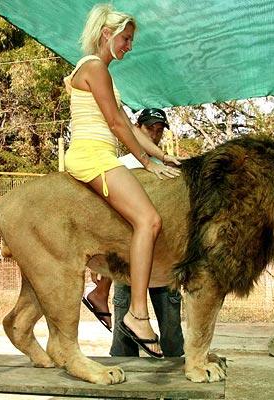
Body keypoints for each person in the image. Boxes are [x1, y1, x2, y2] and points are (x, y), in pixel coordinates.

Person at [63, 4, 181, 359]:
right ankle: (137, 315)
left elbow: (129, 125)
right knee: (149, 220)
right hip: (92, 156)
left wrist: (162, 157)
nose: (129, 46)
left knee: (143, 221)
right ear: (107, 34)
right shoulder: (94, 67)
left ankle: (107, 299)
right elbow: (116, 124)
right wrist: (146, 162)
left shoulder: (102, 72)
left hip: (103, 156)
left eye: (130, 40)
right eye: (126, 39)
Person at [83, 108, 185, 357]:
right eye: (150, 128)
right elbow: (105, 217)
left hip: (163, 257)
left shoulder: (168, 168)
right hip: (127, 259)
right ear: (137, 128)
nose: (155, 134)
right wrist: (99, 259)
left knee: (172, 333)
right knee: (124, 337)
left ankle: (175, 370)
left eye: (159, 130)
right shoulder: (119, 166)